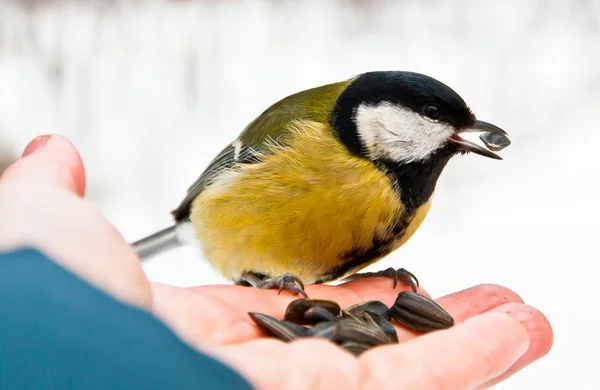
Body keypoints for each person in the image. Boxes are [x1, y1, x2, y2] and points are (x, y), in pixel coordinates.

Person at [0, 134, 553, 389]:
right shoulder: (309, 136)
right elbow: (225, 176)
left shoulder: (415, 187)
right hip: (217, 221)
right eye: (432, 118)